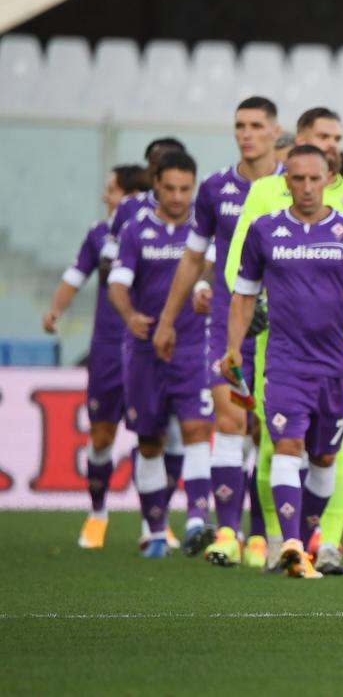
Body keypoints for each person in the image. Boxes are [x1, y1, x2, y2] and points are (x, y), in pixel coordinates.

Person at [222, 144, 343, 579]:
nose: (307, 187)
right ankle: (291, 544)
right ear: (286, 182)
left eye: (315, 178)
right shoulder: (264, 230)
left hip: (336, 365)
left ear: (327, 177)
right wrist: (232, 348)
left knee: (323, 460)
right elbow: (242, 297)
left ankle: (303, 542)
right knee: (286, 446)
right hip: (284, 363)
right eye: (297, 179)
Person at [154, 96, 283, 569]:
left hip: (283, 331)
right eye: (239, 125)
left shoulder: (295, 185)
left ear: (275, 130)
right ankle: (228, 531)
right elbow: (193, 256)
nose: (245, 133)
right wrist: (168, 319)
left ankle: (261, 533)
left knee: (268, 430)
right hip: (228, 323)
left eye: (255, 125)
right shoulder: (214, 189)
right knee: (229, 423)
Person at [107, 151, 214, 558]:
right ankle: (154, 532)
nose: (177, 196)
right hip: (145, 349)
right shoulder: (136, 230)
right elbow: (118, 282)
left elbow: (209, 271)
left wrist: (205, 293)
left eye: (185, 188)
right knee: (149, 442)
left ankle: (197, 523)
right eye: (169, 187)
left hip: (192, 346)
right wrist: (131, 314)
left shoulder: (205, 231)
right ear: (156, 184)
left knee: (197, 432)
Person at [43, 164, 145, 549]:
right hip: (107, 347)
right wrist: (55, 309)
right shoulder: (98, 234)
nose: (106, 196)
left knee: (153, 436)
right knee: (101, 434)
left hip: (149, 348)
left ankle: (156, 522)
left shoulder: (153, 233)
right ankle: (98, 514)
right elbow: (75, 275)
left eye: (112, 189)